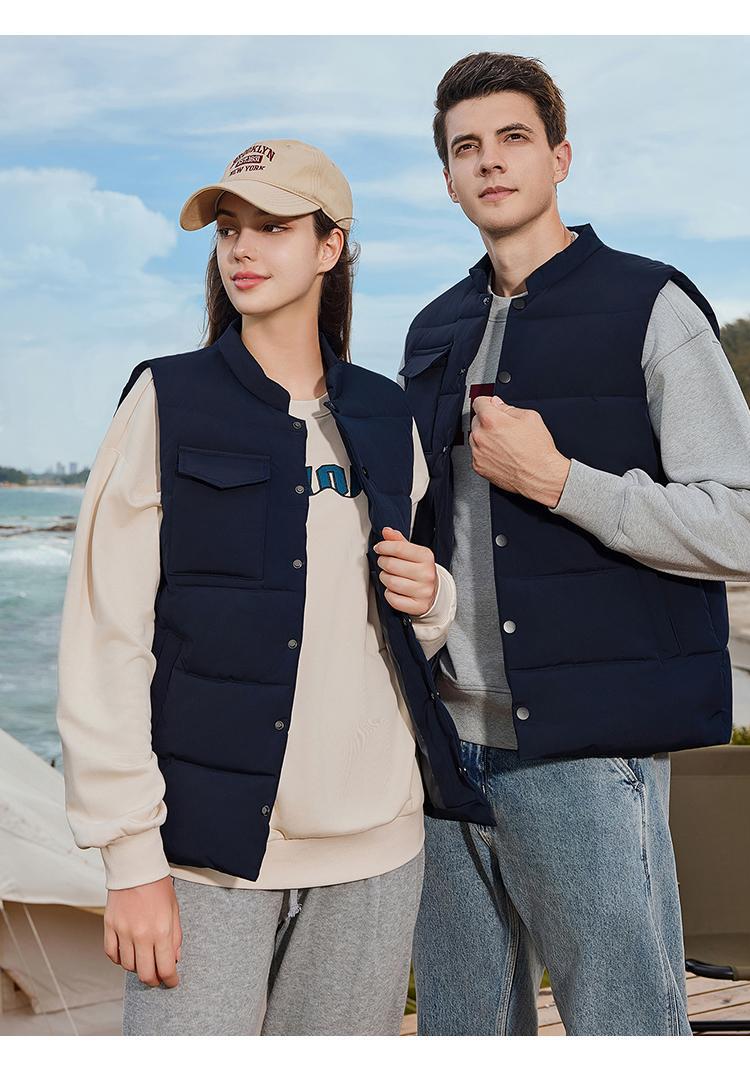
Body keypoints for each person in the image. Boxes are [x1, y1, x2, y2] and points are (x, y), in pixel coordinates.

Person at [399, 52, 750, 1036]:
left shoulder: (652, 306)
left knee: (626, 1025)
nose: (490, 161)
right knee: (460, 1032)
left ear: (560, 157)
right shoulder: (432, 329)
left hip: (582, 752)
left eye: (513, 138)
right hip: (443, 749)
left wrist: (560, 481)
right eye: (466, 147)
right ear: (447, 178)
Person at [56, 138, 469, 1036]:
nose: (242, 248)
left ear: (330, 246)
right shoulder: (165, 401)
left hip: (377, 850)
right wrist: (131, 857)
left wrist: (434, 600)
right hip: (205, 856)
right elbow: (104, 639)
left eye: (273, 227)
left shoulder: (386, 413)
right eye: (228, 229)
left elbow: (397, 624)